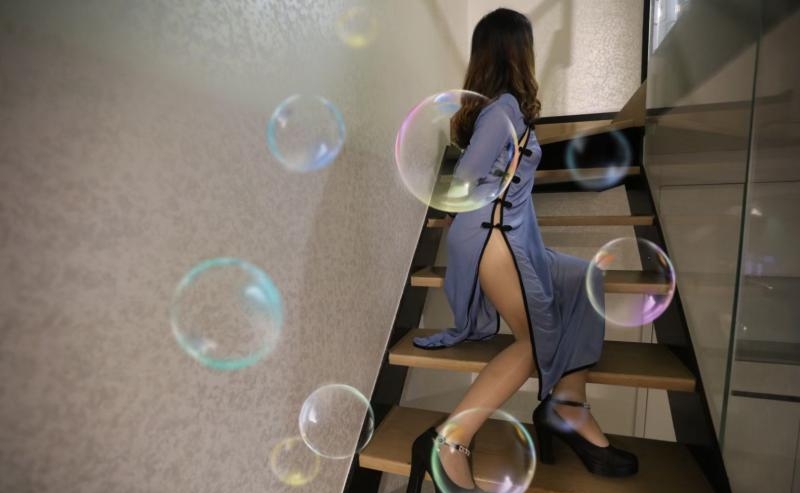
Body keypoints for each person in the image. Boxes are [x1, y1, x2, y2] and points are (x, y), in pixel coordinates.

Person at [407, 8, 638, 493]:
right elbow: (466, 177)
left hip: (503, 233)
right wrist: (487, 192)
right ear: (518, 52)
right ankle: (449, 440)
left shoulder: (500, 110)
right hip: (493, 234)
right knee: (532, 342)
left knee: (584, 276)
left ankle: (567, 404)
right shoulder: (505, 108)